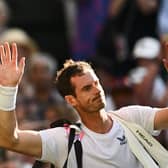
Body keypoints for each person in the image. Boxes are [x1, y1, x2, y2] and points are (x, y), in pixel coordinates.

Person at [1, 42, 168, 168]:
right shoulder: (64, 140)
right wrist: (8, 89)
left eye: (96, 83)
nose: (97, 90)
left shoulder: (131, 117)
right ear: (71, 100)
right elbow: (10, 140)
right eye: (87, 88)